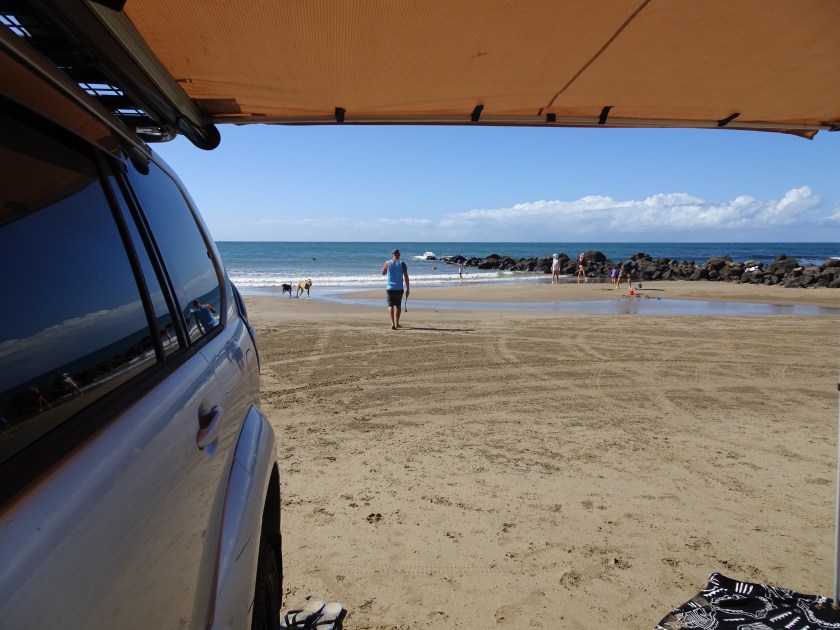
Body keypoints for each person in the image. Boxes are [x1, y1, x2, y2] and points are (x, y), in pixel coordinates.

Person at [381, 248, 410, 330]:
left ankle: (392, 323)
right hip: (399, 289)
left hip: (390, 288)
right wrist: (408, 289)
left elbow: (383, 273)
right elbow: (406, 277)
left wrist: (386, 268)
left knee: (390, 306)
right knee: (398, 306)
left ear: (392, 255)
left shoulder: (387, 263)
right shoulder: (403, 264)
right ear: (399, 255)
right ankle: (397, 323)